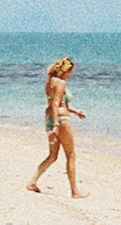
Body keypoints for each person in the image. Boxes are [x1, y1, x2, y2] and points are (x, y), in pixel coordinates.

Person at [27, 55, 86, 197]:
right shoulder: (61, 83)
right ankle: (74, 191)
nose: (71, 74)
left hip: (49, 117)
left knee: (52, 156)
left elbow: (55, 103)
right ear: (65, 71)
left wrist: (75, 111)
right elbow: (56, 104)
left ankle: (32, 182)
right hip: (60, 120)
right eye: (70, 71)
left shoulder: (49, 82)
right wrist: (56, 125)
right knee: (70, 155)